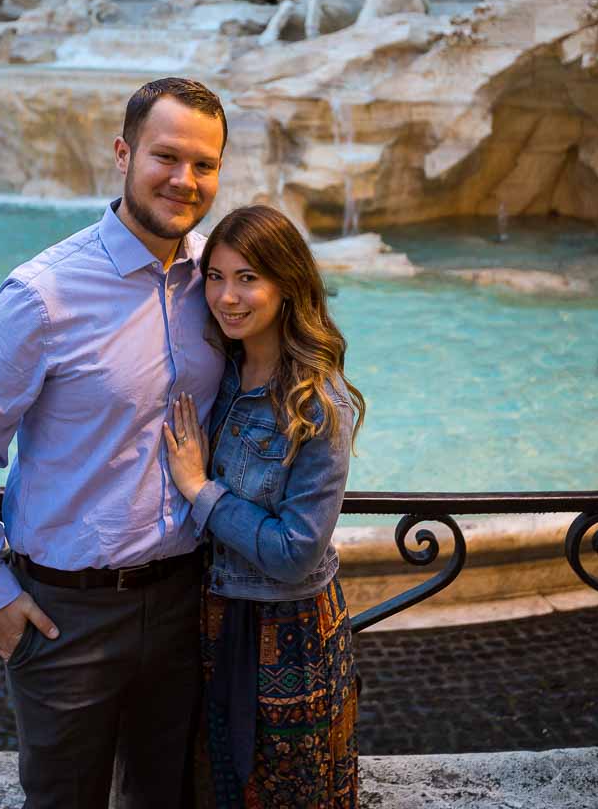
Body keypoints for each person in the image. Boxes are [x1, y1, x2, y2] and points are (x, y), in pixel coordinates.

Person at [0, 77, 228, 809]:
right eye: (166, 157)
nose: (185, 181)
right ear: (123, 155)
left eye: (205, 164)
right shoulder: (43, 294)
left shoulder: (219, 284)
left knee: (169, 799)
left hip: (186, 601)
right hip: (67, 616)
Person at [163, 204, 364, 807]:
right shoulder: (221, 372)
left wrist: (200, 489)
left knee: (285, 792)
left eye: (248, 277)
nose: (227, 296)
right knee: (216, 781)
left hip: (287, 628)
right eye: (217, 277)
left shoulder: (319, 405)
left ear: (287, 284)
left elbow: (295, 552)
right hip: (214, 610)